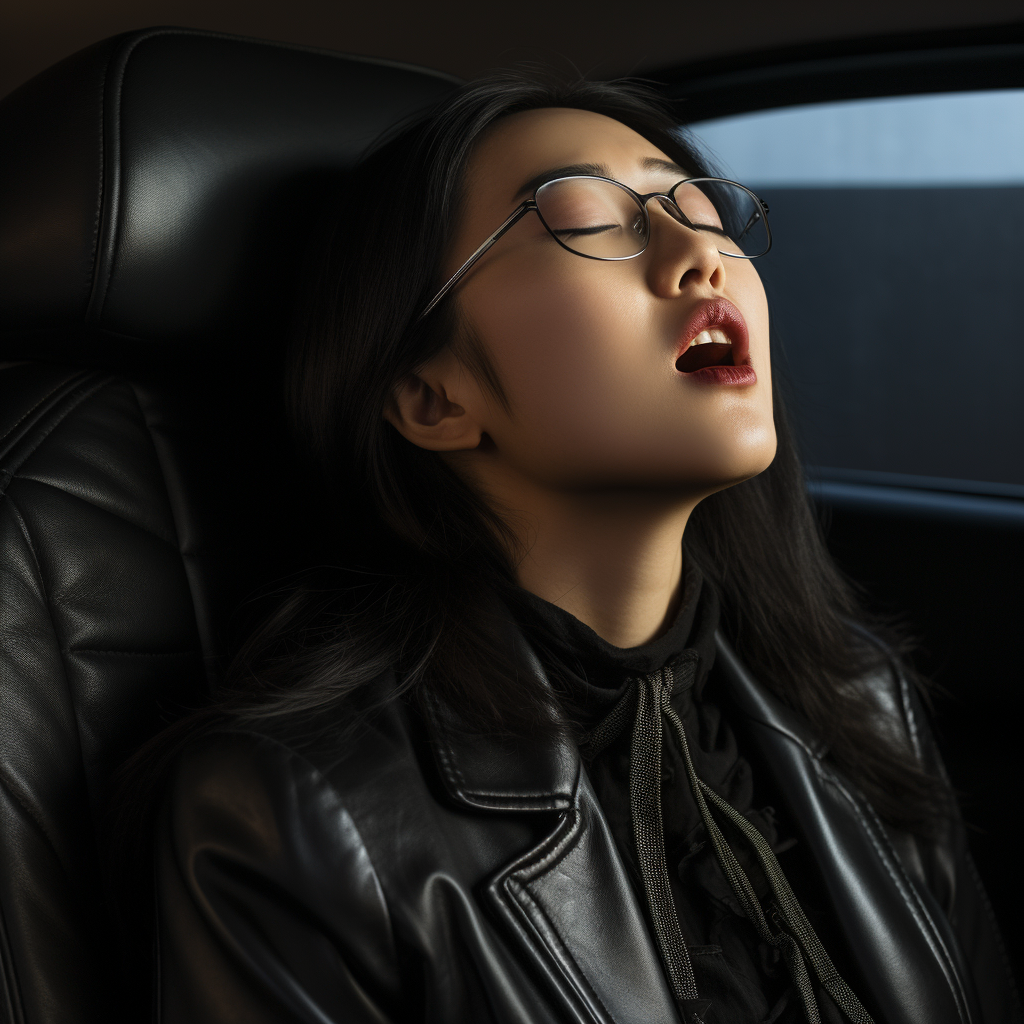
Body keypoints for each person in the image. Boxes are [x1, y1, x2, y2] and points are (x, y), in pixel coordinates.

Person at [142, 74, 1020, 1023]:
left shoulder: (861, 706)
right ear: (433, 399)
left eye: (702, 208)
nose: (700, 255)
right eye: (589, 218)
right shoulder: (290, 813)